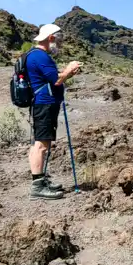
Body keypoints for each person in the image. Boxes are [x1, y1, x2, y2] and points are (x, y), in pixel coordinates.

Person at [27, 23, 81, 200]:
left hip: (45, 103)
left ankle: (41, 180)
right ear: (50, 38)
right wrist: (70, 68)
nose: (60, 45)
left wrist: (68, 73)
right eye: (59, 41)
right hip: (44, 104)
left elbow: (53, 79)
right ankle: (37, 187)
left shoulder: (37, 56)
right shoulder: (40, 57)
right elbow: (57, 80)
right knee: (41, 145)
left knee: (42, 143)